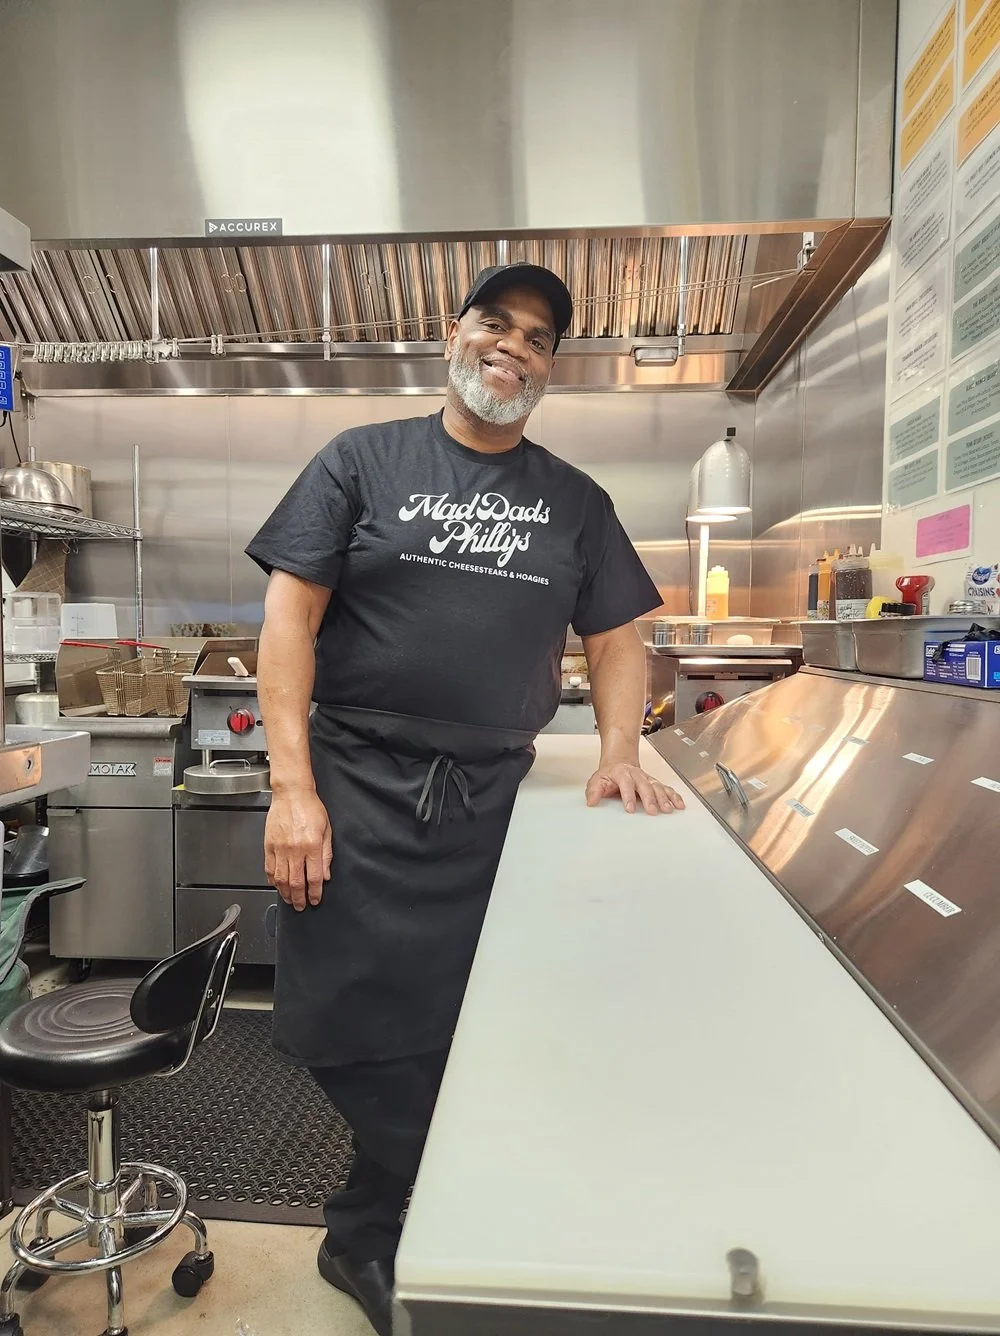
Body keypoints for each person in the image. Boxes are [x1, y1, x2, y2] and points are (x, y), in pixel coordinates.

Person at [246, 262, 685, 1336]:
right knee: (343, 1020)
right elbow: (289, 620)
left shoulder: (575, 502)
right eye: (497, 323)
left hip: (489, 804)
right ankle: (454, 1209)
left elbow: (616, 640)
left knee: (452, 1031)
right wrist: (292, 788)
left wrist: (620, 750)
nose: (514, 347)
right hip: (354, 786)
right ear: (454, 333)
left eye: (538, 337)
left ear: (549, 366)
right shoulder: (361, 460)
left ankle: (375, 1232)